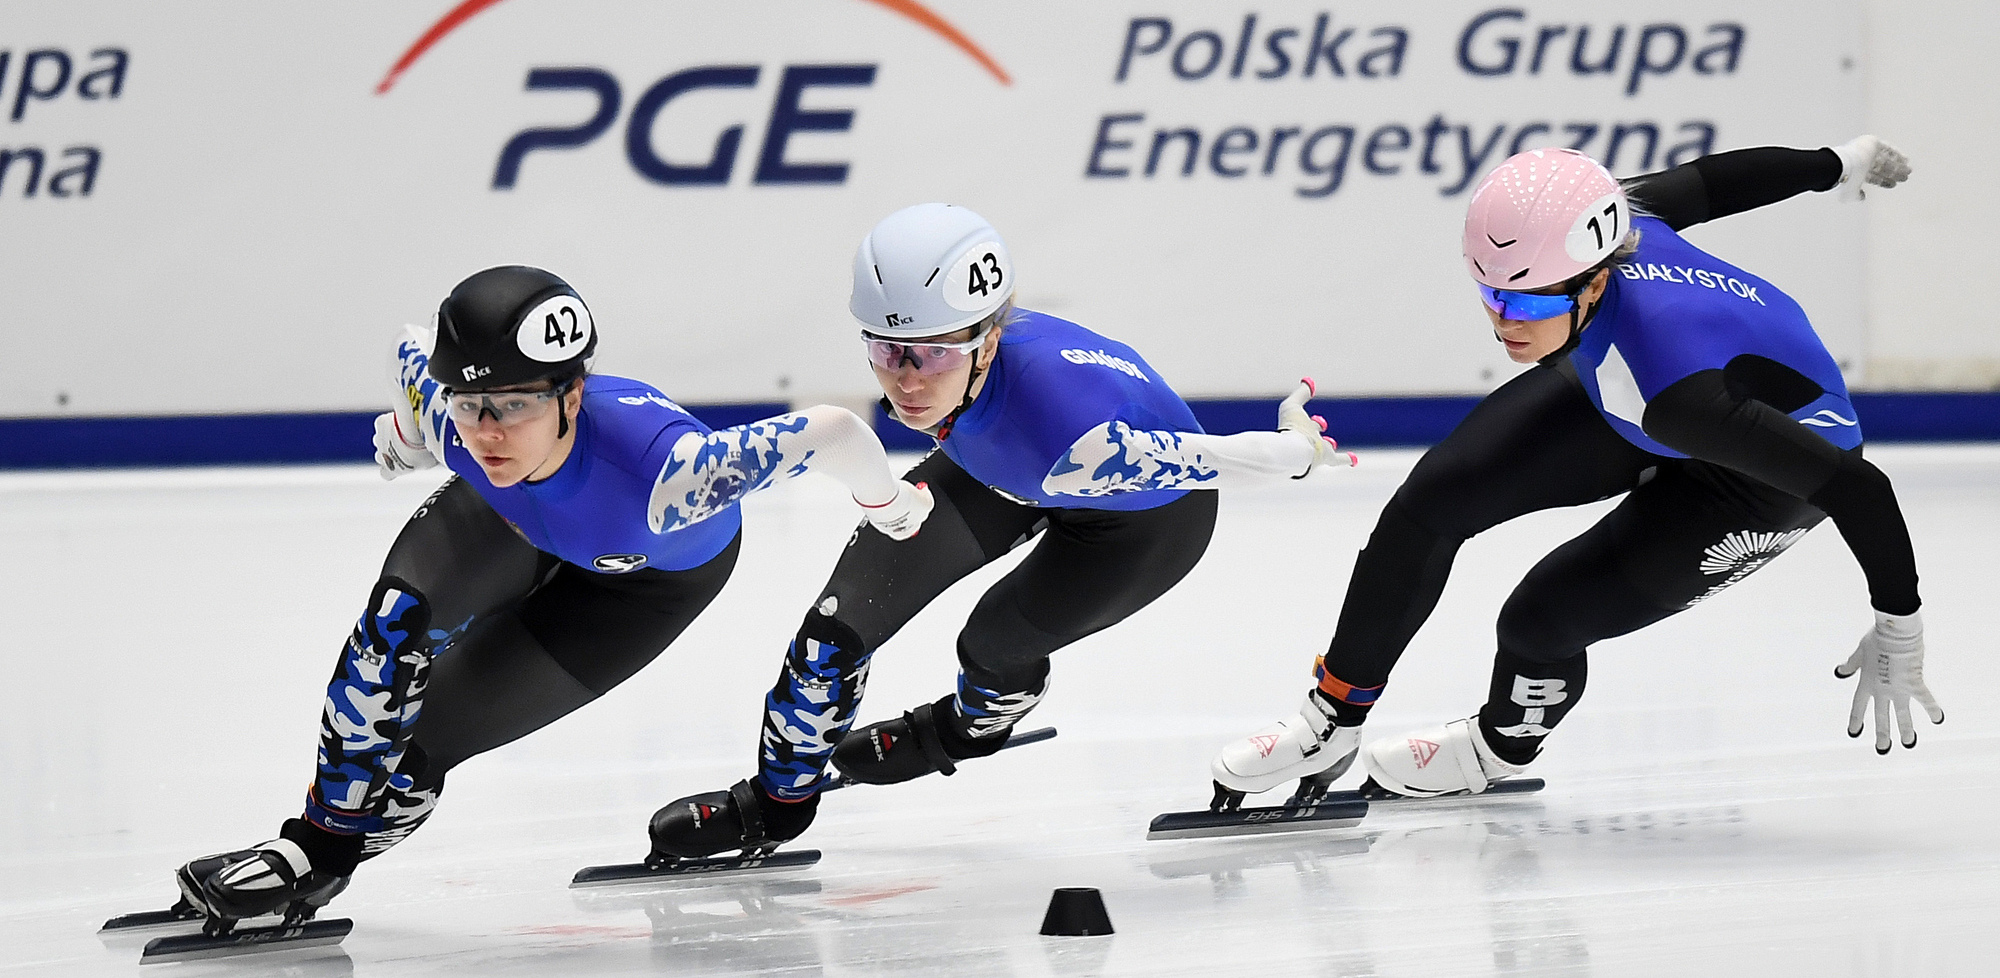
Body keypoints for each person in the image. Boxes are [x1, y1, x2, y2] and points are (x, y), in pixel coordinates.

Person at [169, 264, 933, 928]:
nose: (490, 432)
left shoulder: (672, 479)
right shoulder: (458, 423)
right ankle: (315, 847)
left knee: (421, 751)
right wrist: (411, 431)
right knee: (393, 628)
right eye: (471, 407)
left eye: (515, 406)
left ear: (574, 393)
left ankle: (347, 835)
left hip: (645, 583)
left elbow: (830, 431)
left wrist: (889, 504)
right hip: (513, 519)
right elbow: (412, 350)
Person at [1210, 136, 1944, 803]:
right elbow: (1718, 181)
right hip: (1639, 392)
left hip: (1753, 478)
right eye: (1490, 291)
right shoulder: (1613, 218)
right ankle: (1332, 717)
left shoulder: (1673, 394)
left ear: (1592, 283)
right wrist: (1837, 163)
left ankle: (1499, 745)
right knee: (1431, 501)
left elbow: (1859, 487)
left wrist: (1898, 627)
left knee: (1538, 622)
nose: (1504, 321)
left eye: (1526, 300)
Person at [646, 203, 1357, 858]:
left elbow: (1217, 459)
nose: (908, 382)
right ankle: (778, 802)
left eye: (936, 355)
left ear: (989, 342)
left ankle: (968, 729)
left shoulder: (1075, 435)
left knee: (991, 642)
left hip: (1142, 521)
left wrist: (1301, 452)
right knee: (834, 631)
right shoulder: (973, 373)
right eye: (888, 351)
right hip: (998, 468)